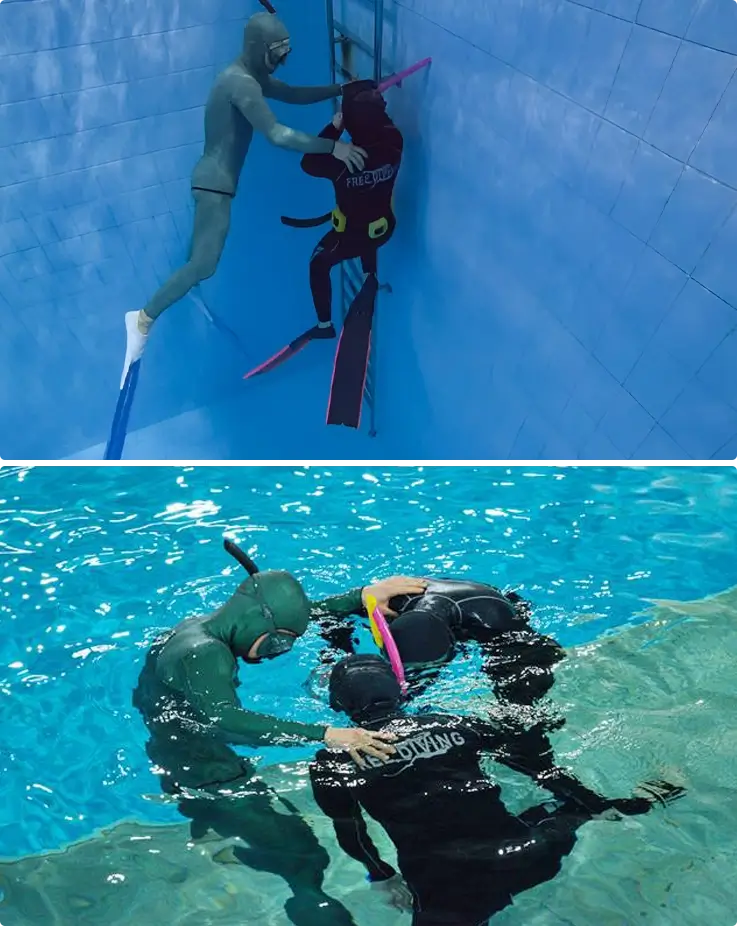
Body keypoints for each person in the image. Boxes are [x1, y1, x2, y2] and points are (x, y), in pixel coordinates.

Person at [132, 541, 426, 925]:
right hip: (204, 770)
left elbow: (280, 615)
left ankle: (224, 839)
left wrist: (359, 598)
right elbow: (225, 720)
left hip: (179, 749)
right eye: (279, 640)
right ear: (256, 624)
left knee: (283, 841)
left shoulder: (201, 627)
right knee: (304, 860)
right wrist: (326, 734)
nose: (279, 651)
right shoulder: (205, 654)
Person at [309, 655, 686, 926]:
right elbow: (541, 770)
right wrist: (595, 805)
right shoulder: (456, 722)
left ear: (340, 706)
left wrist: (382, 875)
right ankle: (652, 796)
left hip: (449, 890)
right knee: (568, 811)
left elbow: (351, 831)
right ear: (399, 692)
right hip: (530, 854)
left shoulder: (333, 762)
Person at [120, 11, 369, 387]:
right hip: (215, 186)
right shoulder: (241, 85)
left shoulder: (247, 77)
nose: (280, 62)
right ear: (256, 49)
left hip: (213, 182)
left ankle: (185, 287)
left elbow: (292, 93)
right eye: (275, 55)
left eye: (283, 55)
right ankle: (142, 319)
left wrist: (340, 91)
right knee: (204, 264)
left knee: (199, 261)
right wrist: (332, 147)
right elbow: (277, 134)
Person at [299, 79, 403, 337]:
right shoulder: (394, 144)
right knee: (368, 224)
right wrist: (370, 93)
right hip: (384, 229)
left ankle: (324, 326)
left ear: (351, 120)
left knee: (318, 264)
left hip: (351, 238)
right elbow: (383, 122)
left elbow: (307, 162)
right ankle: (370, 275)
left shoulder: (340, 164)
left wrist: (335, 131)